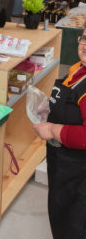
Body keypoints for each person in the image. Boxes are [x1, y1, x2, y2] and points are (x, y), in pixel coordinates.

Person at [32, 29, 86, 239]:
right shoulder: (78, 70)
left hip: (78, 175)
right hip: (64, 169)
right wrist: (50, 112)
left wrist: (53, 129)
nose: (85, 45)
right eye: (84, 38)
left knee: (74, 225)